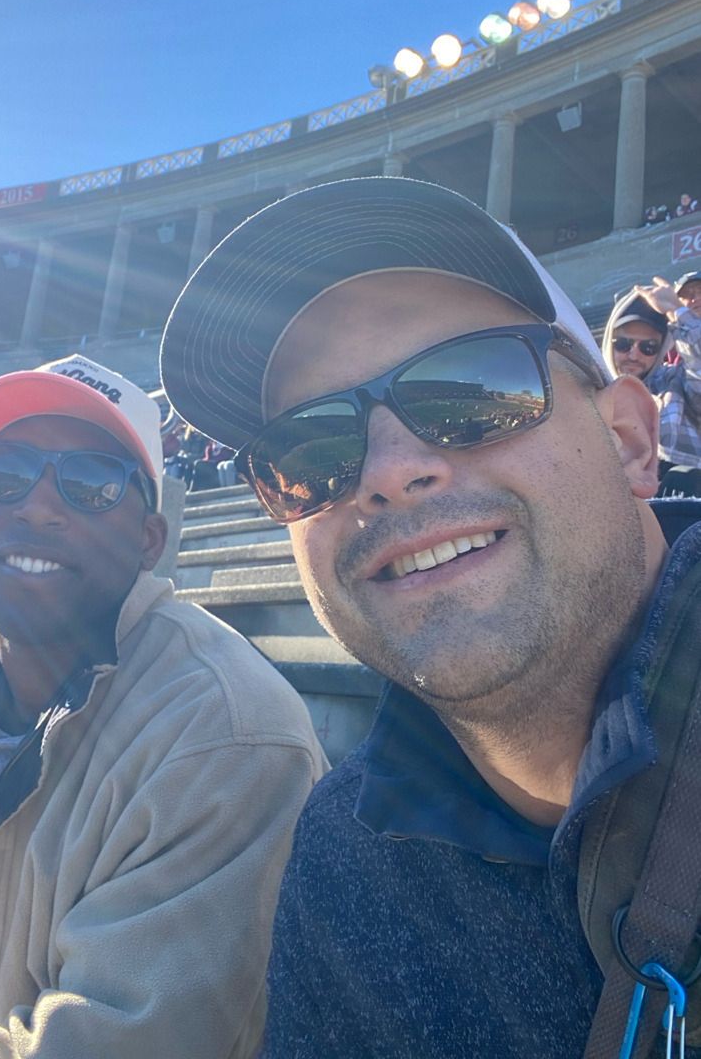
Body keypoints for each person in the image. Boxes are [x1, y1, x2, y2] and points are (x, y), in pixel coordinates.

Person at [160, 177, 701, 1058]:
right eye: (311, 447)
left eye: (470, 390)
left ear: (632, 442)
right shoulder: (341, 856)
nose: (387, 469)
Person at [0, 353, 326, 1058]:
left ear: (150, 541)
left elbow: (117, 1038)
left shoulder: (226, 736)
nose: (39, 505)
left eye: (90, 484)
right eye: (8, 471)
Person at [601, 275, 701, 494]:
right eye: (624, 343)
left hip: (679, 499)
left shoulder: (674, 383)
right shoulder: (589, 391)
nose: (634, 354)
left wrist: (677, 310)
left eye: (648, 347)